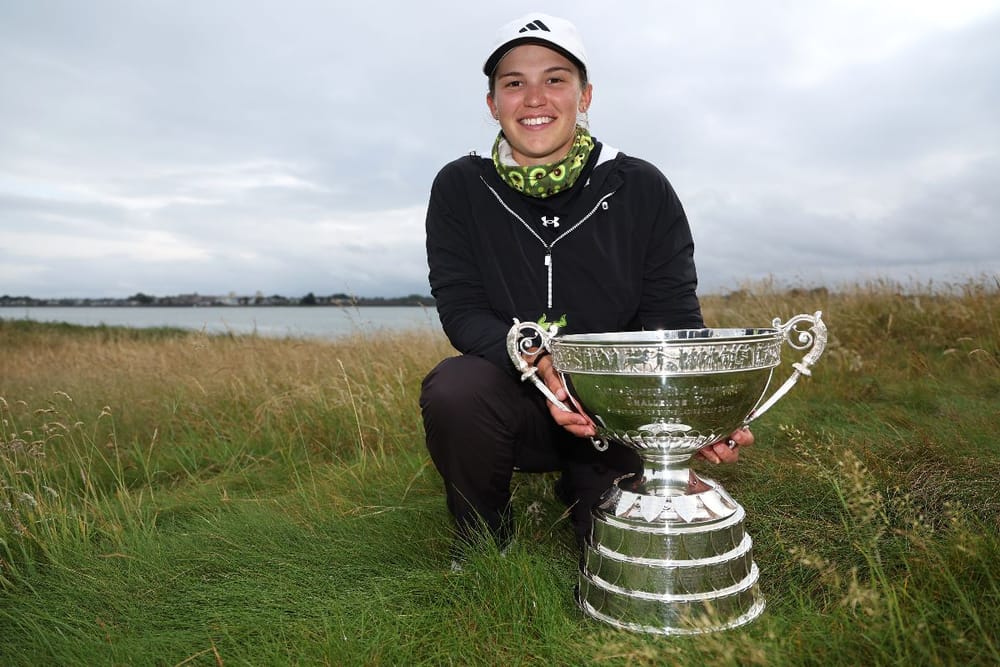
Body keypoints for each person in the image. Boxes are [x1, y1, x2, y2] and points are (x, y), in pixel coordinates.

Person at [419, 13, 753, 558]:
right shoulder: (460, 186)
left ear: (585, 95)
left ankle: (582, 490)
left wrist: (697, 411)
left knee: (609, 551)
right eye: (513, 83)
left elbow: (671, 312)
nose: (534, 99)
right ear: (492, 104)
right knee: (455, 388)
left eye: (554, 79)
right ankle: (481, 545)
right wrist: (539, 361)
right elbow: (462, 309)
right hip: (517, 393)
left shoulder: (639, 185)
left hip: (618, 409)